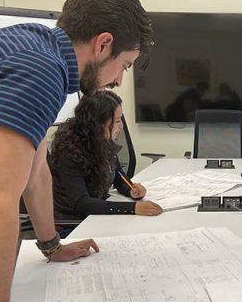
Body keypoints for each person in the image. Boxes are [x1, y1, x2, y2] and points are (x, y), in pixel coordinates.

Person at [0, 0, 153, 302]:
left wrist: (52, 245)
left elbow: (36, 170)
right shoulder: (41, 70)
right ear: (103, 44)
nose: (120, 80)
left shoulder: (38, 47)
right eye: (124, 65)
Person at [50, 91, 162, 221]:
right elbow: (82, 203)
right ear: (99, 123)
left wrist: (130, 190)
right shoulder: (69, 151)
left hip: (97, 215)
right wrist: (133, 208)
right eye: (118, 121)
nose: (121, 126)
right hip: (74, 223)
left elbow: (118, 176)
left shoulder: (101, 140)